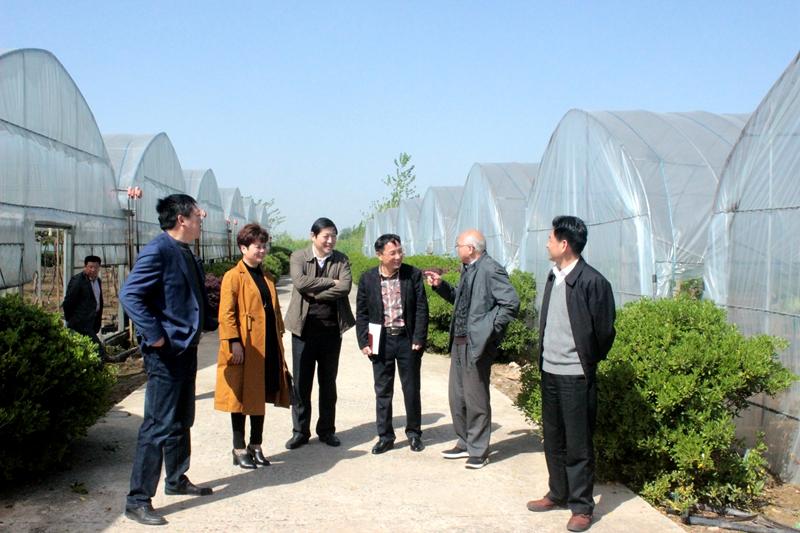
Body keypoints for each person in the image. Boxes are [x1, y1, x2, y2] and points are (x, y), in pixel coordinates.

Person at [120, 194, 218, 527]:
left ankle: (176, 478)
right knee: (157, 425)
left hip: (185, 349)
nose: (201, 220)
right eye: (197, 215)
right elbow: (130, 294)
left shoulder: (185, 251)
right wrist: (155, 335)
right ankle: (137, 500)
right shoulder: (158, 250)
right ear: (181, 219)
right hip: (165, 353)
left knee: (181, 418)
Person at [525, 216, 616, 533]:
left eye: (550, 239)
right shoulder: (554, 276)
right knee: (553, 439)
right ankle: (558, 492)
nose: (546, 244)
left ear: (564, 244)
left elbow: (604, 332)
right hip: (550, 371)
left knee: (578, 443)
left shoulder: (593, 282)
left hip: (576, 376)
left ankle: (581, 507)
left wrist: (585, 360)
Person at [425, 229, 519, 469]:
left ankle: (479, 450)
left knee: (475, 398)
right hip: (459, 342)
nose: (456, 249)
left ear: (470, 248)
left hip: (477, 344)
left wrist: (489, 329)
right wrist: (440, 286)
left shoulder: (490, 269)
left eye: (458, 245)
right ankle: (465, 441)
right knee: (457, 397)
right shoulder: (469, 269)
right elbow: (461, 299)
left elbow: (510, 303)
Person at [215, 223, 292, 469]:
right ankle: (238, 448)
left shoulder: (266, 276)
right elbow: (226, 313)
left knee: (261, 392)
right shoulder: (233, 276)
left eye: (263, 246)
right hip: (245, 345)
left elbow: (273, 311)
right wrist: (233, 342)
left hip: (266, 343)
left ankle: (256, 445)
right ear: (243, 248)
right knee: (239, 396)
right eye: (257, 247)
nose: (262, 251)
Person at [283, 217, 355, 449]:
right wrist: (330, 281)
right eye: (326, 236)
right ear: (313, 236)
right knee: (301, 384)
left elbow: (345, 287)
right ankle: (300, 431)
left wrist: (317, 293)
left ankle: (326, 430)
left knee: (328, 383)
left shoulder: (341, 259)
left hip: (331, 331)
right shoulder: (299, 257)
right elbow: (300, 283)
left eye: (333, 236)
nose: (330, 240)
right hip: (303, 330)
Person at [356, 234, 429, 455]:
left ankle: (414, 433)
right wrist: (364, 341)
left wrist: (418, 338)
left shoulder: (412, 274)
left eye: (400, 252)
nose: (398, 256)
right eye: (392, 253)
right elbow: (362, 313)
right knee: (383, 391)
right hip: (381, 339)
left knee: (411, 388)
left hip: (407, 340)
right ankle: (385, 436)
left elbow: (421, 308)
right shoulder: (368, 278)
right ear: (380, 255)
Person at [62, 255, 106, 360]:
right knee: (98, 349)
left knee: (87, 348)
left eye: (96, 267)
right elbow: (68, 302)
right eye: (90, 267)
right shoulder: (78, 281)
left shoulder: (98, 281)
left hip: (91, 321)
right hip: (80, 323)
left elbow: (97, 300)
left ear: (99, 268)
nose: (93, 270)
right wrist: (71, 319)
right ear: (85, 267)